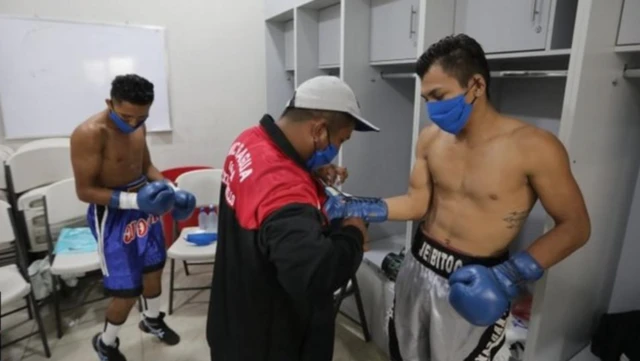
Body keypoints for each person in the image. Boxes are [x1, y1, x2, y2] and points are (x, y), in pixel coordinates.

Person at [324, 34, 591, 360]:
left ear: (476, 85)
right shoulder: (430, 139)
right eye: (426, 99)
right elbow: (417, 203)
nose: (433, 108)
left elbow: (575, 226)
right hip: (418, 268)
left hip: (476, 281)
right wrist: (361, 206)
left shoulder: (534, 147)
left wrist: (510, 276)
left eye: (439, 95)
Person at [206, 75, 379, 361]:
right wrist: (353, 233)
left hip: (233, 321)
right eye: (341, 139)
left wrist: (309, 173)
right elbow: (317, 276)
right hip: (271, 342)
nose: (337, 148)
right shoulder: (284, 188)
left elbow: (266, 209)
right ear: (320, 131)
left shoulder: (249, 140)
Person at [70, 74, 196, 361]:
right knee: (126, 290)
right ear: (109, 103)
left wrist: (170, 188)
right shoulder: (89, 133)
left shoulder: (138, 123)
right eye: (126, 116)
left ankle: (152, 319)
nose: (133, 123)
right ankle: (106, 342)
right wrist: (130, 200)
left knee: (154, 269)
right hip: (112, 215)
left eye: (141, 117)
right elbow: (84, 190)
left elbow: (146, 165)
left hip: (144, 206)